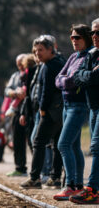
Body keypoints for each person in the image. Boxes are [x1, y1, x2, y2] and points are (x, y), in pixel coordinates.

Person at [52, 24, 92, 201]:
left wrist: (66, 81)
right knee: (74, 146)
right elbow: (59, 79)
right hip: (67, 105)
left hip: (79, 105)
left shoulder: (89, 56)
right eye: (72, 38)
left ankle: (70, 185)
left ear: (87, 38)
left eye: (78, 37)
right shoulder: (73, 56)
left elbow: (74, 80)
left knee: (63, 144)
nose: (74, 41)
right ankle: (77, 185)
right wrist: (66, 81)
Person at [20, 35, 66, 189]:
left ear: (50, 49)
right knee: (57, 144)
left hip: (50, 112)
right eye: (36, 50)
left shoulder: (48, 66)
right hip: (61, 111)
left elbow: (46, 91)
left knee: (38, 142)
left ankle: (34, 178)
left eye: (41, 50)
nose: (37, 53)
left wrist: (43, 110)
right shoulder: (61, 61)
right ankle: (55, 177)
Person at [71, 18, 99, 204]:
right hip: (93, 107)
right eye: (93, 33)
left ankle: (92, 189)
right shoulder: (93, 54)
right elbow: (77, 77)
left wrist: (88, 76)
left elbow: (88, 77)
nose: (95, 36)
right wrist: (90, 75)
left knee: (96, 147)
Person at [5, 54, 28, 177]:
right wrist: (14, 93)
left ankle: (42, 170)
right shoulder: (14, 76)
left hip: (30, 111)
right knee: (17, 140)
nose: (20, 66)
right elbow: (7, 90)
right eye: (18, 63)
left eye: (21, 63)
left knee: (33, 141)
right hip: (16, 111)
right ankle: (20, 167)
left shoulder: (32, 72)